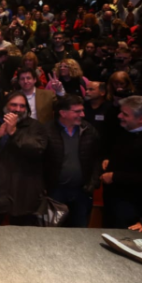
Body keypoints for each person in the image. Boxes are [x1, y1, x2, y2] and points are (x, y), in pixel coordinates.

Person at [0, 91, 47, 225]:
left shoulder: (34, 126)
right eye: (14, 105)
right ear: (5, 105)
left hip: (22, 190)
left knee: (20, 237)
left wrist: (14, 133)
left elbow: (37, 148)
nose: (18, 109)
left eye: (22, 106)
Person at [44, 95, 101, 228]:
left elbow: (97, 158)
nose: (82, 114)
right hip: (55, 193)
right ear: (63, 113)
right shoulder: (46, 131)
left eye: (82, 110)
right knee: (51, 232)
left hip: (82, 191)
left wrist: (93, 183)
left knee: (80, 230)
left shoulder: (89, 130)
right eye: (77, 111)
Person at [101, 96, 142, 228]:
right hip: (114, 203)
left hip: (134, 208)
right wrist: (109, 158)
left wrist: (115, 176)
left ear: (141, 119)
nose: (119, 116)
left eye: (125, 114)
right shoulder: (126, 131)